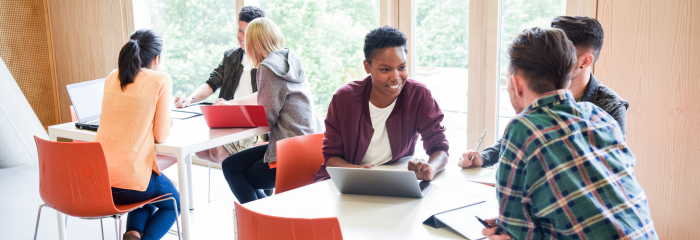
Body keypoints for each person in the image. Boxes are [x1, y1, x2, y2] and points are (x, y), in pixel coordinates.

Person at [481, 27, 656, 240]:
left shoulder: (522, 128)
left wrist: (506, 229)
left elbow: (517, 234)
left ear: (516, 84)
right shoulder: (599, 116)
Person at [459, 16, 630, 169]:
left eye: (564, 50)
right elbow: (521, 133)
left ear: (585, 61)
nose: (554, 56)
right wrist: (485, 157)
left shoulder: (609, 109)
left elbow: (612, 168)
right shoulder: (541, 86)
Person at [314, 26, 449, 182]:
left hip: (392, 182)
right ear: (367, 67)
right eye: (385, 70)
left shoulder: (418, 95)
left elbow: (440, 148)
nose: (396, 77)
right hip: (345, 182)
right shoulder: (343, 99)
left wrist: (430, 168)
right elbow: (331, 158)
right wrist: (360, 173)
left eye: (402, 67)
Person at [218, 18, 324, 204]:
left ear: (253, 43)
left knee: (233, 169)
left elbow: (266, 118)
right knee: (234, 163)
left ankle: (262, 219)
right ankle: (264, 215)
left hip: (290, 150)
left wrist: (232, 117)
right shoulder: (290, 58)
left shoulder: (267, 67)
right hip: (309, 143)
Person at [94, 29, 179, 240]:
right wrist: (166, 122)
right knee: (174, 202)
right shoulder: (160, 79)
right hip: (131, 181)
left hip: (100, 181)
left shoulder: (113, 76)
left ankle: (132, 233)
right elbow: (160, 136)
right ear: (156, 58)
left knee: (147, 192)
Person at [174, 6, 267, 163]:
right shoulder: (231, 56)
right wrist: (190, 99)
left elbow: (265, 94)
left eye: (248, 32)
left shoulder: (267, 60)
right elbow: (212, 83)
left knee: (217, 151)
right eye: (240, 30)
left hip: (255, 124)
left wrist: (230, 104)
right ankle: (240, 178)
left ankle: (241, 179)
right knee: (199, 149)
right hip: (228, 119)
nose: (242, 37)